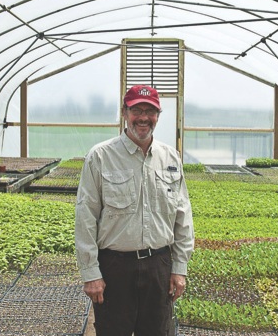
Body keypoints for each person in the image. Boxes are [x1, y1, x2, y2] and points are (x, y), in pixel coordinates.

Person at [75, 85, 194, 336]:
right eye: (136, 110)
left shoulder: (170, 157)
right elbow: (86, 216)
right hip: (115, 267)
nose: (143, 117)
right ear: (124, 113)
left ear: (158, 116)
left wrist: (179, 268)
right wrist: (90, 273)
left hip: (158, 265)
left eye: (150, 111)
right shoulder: (100, 156)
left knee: (157, 332)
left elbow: (183, 217)